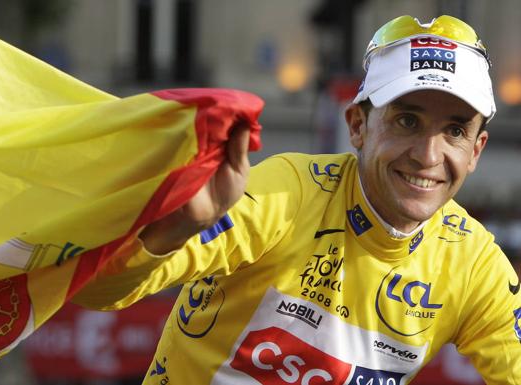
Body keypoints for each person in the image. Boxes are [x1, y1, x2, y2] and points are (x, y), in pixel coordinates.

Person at [73, 15, 521, 384]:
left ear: (477, 149)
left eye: (455, 131)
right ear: (358, 127)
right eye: (407, 120)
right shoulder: (286, 192)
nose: (428, 156)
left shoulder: (475, 264)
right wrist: (175, 227)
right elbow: (97, 290)